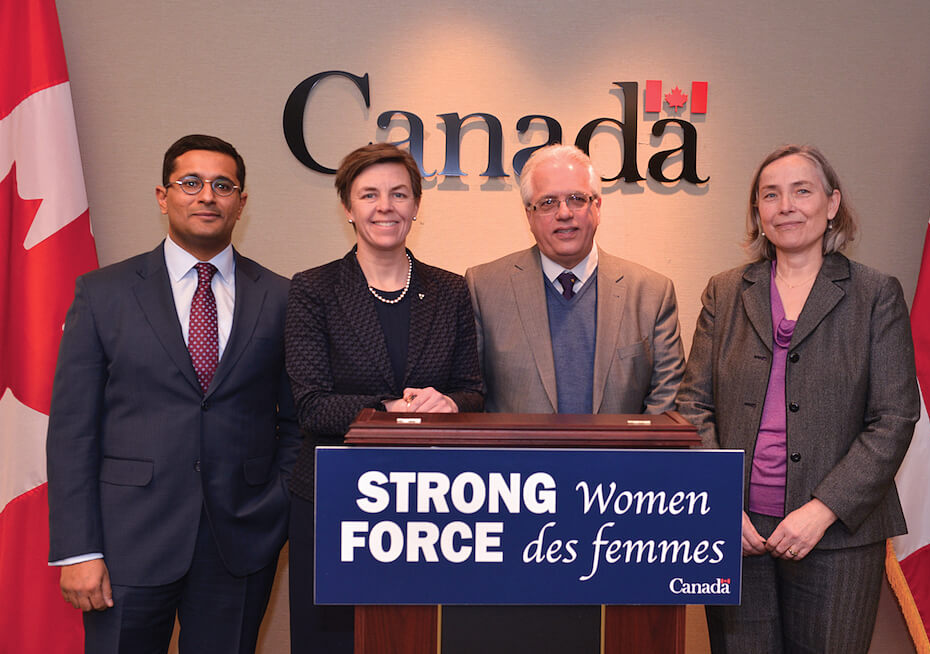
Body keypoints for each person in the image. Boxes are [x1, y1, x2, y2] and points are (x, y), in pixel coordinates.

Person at [46, 134, 300, 654]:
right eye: (191, 183)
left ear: (241, 202)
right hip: (126, 543)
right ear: (164, 197)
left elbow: (296, 422)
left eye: (223, 186)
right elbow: (73, 432)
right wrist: (78, 550)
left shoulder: (281, 297)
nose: (207, 196)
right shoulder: (103, 294)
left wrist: (274, 510)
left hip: (240, 542)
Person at [677, 144, 919, 653]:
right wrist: (719, 503)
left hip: (838, 535)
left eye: (801, 191)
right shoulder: (724, 292)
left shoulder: (875, 294)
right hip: (736, 530)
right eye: (770, 195)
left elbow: (894, 417)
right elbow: (693, 405)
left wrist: (824, 508)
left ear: (832, 204)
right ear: (758, 214)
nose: (785, 205)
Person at [284, 142, 484, 653]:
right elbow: (310, 405)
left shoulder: (451, 290)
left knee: (423, 636)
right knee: (333, 640)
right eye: (368, 194)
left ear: (416, 205)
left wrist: (453, 404)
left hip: (433, 502)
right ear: (347, 208)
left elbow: (474, 389)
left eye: (399, 193)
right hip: (336, 499)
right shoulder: (314, 289)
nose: (385, 206)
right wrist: (387, 411)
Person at [465, 143, 685, 415]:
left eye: (577, 199)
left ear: (598, 207)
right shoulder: (484, 289)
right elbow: (471, 395)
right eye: (548, 203)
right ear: (529, 216)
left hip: (620, 457)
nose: (564, 213)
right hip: (517, 458)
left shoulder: (651, 293)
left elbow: (666, 401)